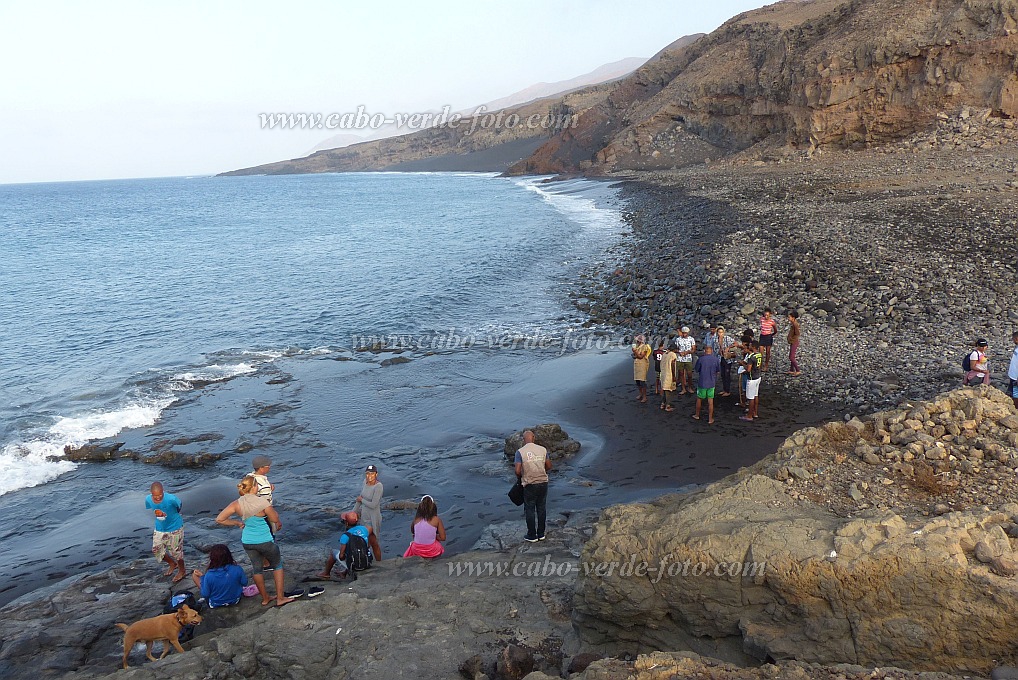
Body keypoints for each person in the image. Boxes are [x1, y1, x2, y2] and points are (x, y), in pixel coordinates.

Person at [215, 475, 295, 607]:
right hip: (264, 539)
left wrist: (236, 522)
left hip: (248, 541)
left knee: (257, 569)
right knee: (277, 565)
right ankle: (280, 598)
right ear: (254, 487)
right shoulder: (262, 502)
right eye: (257, 485)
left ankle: (265, 598)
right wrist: (276, 519)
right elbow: (274, 519)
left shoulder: (236, 503)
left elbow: (219, 519)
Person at [318, 510, 382, 579]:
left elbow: (341, 556)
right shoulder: (365, 529)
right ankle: (344, 573)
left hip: (355, 566)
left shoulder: (345, 536)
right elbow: (373, 543)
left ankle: (326, 573)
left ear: (347, 523)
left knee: (334, 553)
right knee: (356, 550)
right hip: (366, 562)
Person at [514, 430, 551, 543]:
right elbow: (549, 466)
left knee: (530, 509)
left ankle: (532, 534)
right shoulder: (543, 449)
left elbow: (517, 470)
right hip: (543, 481)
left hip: (530, 483)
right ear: (533, 438)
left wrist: (522, 475)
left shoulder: (520, 452)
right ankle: (541, 533)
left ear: (524, 440)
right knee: (541, 507)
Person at [145, 482, 186, 583]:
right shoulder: (148, 499)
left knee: (176, 552)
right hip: (160, 528)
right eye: (155, 495)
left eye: (160, 495)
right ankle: (172, 563)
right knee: (156, 550)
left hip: (175, 527)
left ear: (163, 491)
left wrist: (173, 514)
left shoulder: (171, 499)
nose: (158, 498)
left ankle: (182, 570)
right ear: (151, 493)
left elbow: (179, 506)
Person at [191, 544, 247, 608]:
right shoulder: (237, 568)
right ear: (229, 556)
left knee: (194, 575)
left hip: (215, 603)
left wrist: (203, 577)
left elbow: (205, 594)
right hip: (235, 600)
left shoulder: (209, 575)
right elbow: (244, 583)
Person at [402, 495, 446, 559]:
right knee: (438, 545)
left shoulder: (416, 520)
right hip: (431, 551)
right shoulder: (437, 520)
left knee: (413, 543)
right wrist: (433, 536)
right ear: (434, 507)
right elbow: (443, 538)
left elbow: (413, 533)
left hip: (417, 550)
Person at [693, 344, 721, 424]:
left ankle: (697, 415)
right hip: (711, 382)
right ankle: (710, 418)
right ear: (711, 351)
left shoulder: (701, 359)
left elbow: (697, 370)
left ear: (705, 351)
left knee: (699, 399)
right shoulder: (715, 360)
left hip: (702, 382)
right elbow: (718, 371)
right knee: (710, 401)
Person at [354, 464, 383, 540]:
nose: (369, 476)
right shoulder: (365, 482)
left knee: (367, 539)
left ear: (376, 474)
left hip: (373, 519)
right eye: (367, 473)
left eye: (372, 473)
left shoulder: (378, 486)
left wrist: (362, 500)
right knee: (369, 542)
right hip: (364, 517)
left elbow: (373, 505)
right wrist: (353, 512)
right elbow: (360, 498)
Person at [740, 340, 763, 422]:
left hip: (752, 378)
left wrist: (743, 365)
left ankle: (749, 415)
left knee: (750, 397)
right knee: (755, 395)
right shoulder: (759, 354)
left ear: (753, 347)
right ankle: (755, 413)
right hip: (758, 377)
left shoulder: (751, 357)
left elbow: (749, 369)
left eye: (750, 345)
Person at [672, 327, 696, 395]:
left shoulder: (691, 339)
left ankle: (690, 387)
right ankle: (683, 388)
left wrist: (688, 352)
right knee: (681, 373)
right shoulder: (678, 339)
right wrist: (679, 352)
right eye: (683, 333)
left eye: (685, 333)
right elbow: (674, 349)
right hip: (680, 358)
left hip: (688, 358)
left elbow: (694, 349)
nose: (684, 334)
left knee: (689, 374)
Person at [631, 335, 652, 403]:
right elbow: (635, 356)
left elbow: (641, 356)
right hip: (637, 365)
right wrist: (634, 353)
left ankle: (645, 397)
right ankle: (641, 394)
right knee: (637, 381)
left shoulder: (645, 347)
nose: (637, 341)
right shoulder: (637, 346)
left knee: (642, 381)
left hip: (643, 364)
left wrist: (635, 352)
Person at [716, 326, 737, 397]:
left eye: (721, 332)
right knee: (722, 374)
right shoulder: (715, 340)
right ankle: (724, 389)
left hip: (728, 359)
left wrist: (728, 347)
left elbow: (735, 343)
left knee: (727, 374)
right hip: (720, 358)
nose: (720, 334)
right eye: (719, 332)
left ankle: (727, 391)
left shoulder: (727, 338)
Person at [659, 342, 678, 412]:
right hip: (669, 374)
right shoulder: (672, 355)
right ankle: (668, 405)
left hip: (663, 373)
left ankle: (663, 403)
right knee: (668, 390)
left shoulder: (664, 354)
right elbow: (673, 365)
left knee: (664, 389)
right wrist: (674, 376)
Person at [786, 311, 801, 376]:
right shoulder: (793, 324)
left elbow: (797, 334)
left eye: (789, 317)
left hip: (794, 342)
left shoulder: (795, 324)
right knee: (791, 356)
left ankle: (798, 370)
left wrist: (791, 339)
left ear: (793, 317)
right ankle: (791, 369)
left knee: (791, 357)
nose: (788, 318)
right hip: (793, 342)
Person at [1008, 331, 1018, 408]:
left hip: (1016, 377)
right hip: (1013, 375)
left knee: (1016, 394)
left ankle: (1015, 410)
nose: (1012, 340)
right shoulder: (1017, 348)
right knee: (1012, 393)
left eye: (1013, 339)